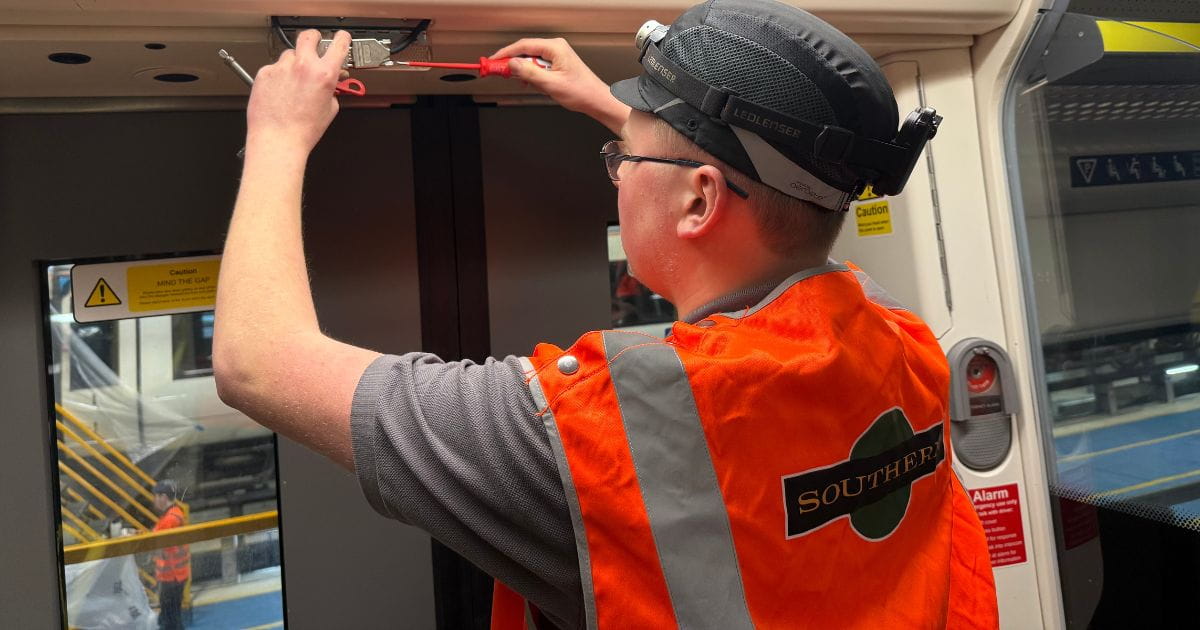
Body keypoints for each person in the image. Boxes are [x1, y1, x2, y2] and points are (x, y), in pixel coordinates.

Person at [213, 0, 1000, 627]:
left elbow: (256, 362)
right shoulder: (899, 341)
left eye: (626, 159)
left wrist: (279, 134)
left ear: (700, 201)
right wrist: (623, 114)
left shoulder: (601, 435)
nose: (618, 175)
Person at [151, 480, 189, 630]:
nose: (154, 500)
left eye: (156, 496)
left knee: (170, 620)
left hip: (171, 576)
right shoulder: (175, 513)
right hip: (177, 575)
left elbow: (158, 546)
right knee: (172, 616)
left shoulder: (169, 520)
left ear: (164, 497)